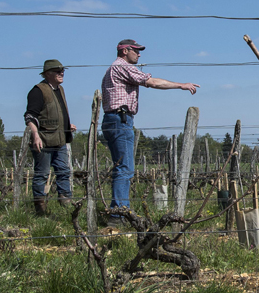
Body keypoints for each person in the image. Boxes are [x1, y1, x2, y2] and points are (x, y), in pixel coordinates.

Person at [101, 39, 199, 213]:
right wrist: (180, 85)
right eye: (136, 51)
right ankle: (119, 213)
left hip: (114, 119)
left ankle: (119, 210)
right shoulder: (122, 67)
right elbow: (152, 82)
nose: (139, 54)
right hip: (120, 119)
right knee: (125, 169)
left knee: (121, 167)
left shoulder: (114, 68)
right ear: (125, 51)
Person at [24, 59, 78, 215]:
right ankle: (40, 212)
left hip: (60, 140)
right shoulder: (38, 91)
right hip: (44, 141)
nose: (61, 73)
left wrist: (67, 125)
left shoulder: (59, 89)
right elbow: (30, 116)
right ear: (47, 73)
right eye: (57, 71)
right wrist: (35, 135)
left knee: (64, 172)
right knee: (42, 175)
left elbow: (56, 114)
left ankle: (66, 210)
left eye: (62, 70)